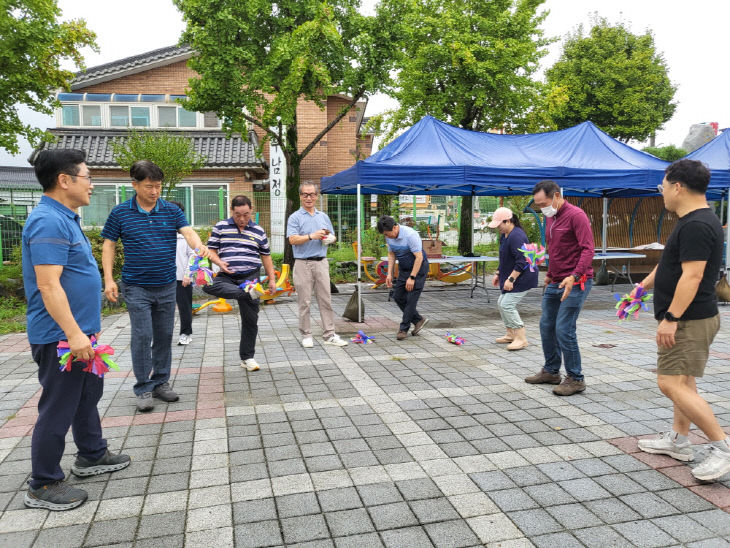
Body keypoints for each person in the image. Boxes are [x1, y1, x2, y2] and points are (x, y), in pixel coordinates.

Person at [22, 149, 130, 510]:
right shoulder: (48, 221)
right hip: (62, 337)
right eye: (86, 176)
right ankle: (43, 482)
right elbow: (48, 285)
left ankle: (92, 454)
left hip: (81, 334)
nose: (91, 184)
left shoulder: (66, 218)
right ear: (64, 180)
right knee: (59, 406)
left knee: (86, 397)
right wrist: (73, 333)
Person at [636, 160, 730, 481]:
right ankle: (679, 440)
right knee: (684, 383)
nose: (661, 191)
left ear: (678, 187)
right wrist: (643, 286)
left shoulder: (697, 225)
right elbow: (671, 264)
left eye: (663, 184)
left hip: (689, 319)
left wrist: (671, 318)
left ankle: (723, 448)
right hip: (692, 318)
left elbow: (692, 276)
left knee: (670, 383)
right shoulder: (694, 221)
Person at [101, 161, 209, 412]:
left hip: (166, 284)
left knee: (164, 335)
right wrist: (108, 279)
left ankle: (161, 382)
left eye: (158, 186)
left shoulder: (170, 210)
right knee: (142, 335)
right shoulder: (120, 213)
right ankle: (143, 387)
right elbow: (109, 245)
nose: (154, 191)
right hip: (136, 285)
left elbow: (188, 231)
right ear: (135, 185)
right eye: (149, 186)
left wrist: (199, 246)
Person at [525, 180, 594, 396]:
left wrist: (574, 275)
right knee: (546, 326)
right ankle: (551, 371)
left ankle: (575, 378)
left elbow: (587, 249)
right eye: (538, 205)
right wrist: (550, 275)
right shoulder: (551, 219)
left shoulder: (576, 215)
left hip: (576, 282)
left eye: (544, 203)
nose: (542, 208)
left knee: (564, 329)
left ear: (556, 196)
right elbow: (555, 250)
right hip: (556, 281)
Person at [203, 195, 277, 371]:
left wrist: (272, 279)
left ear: (251, 210)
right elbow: (211, 251)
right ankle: (246, 294)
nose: (242, 219)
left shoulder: (258, 230)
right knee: (207, 285)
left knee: (250, 320)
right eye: (238, 215)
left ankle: (247, 358)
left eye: (245, 214)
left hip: (250, 277)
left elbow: (266, 256)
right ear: (231, 211)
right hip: (225, 275)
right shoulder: (221, 227)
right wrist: (219, 263)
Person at [287, 182, 348, 348]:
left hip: (321, 262)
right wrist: (311, 236)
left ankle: (329, 334)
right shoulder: (295, 217)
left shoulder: (323, 216)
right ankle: (306, 334)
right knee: (304, 301)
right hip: (302, 263)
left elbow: (332, 235)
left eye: (312, 194)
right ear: (300, 196)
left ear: (316, 196)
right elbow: (292, 239)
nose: (309, 198)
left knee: (325, 300)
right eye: (305, 194)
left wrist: (331, 239)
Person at [490, 207, 538, 350]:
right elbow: (504, 257)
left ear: (508, 221)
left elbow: (522, 260)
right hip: (513, 275)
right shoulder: (505, 235)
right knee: (501, 302)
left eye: (499, 224)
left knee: (507, 305)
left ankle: (521, 338)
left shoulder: (517, 236)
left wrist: (511, 279)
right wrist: (498, 273)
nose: (498, 227)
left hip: (524, 277)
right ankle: (510, 334)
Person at [377, 215, 429, 340]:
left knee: (411, 298)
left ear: (395, 227)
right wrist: (389, 274)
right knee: (398, 296)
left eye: (388, 234)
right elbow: (391, 254)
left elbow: (419, 257)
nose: (387, 237)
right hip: (404, 269)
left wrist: (412, 277)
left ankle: (403, 328)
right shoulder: (389, 237)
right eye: (385, 235)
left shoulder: (410, 235)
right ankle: (418, 320)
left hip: (418, 268)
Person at [171, 201, 196, 346]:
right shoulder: (161, 233)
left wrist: (188, 274)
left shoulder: (187, 235)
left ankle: (186, 333)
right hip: (163, 278)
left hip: (182, 278)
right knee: (160, 310)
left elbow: (194, 255)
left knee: (184, 307)